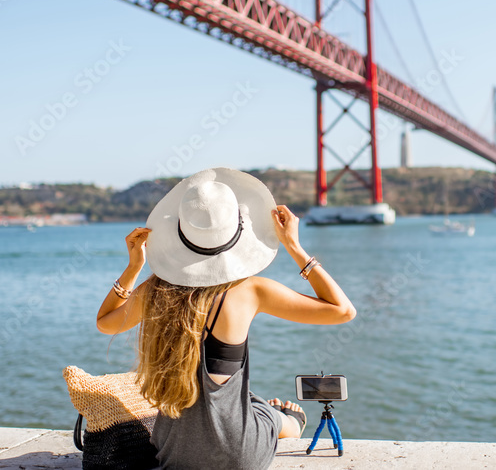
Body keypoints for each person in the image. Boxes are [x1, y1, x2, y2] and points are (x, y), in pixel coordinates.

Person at [95, 167, 356, 470]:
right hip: (239, 455)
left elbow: (105, 322)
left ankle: (270, 413)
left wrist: (134, 267)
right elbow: (343, 311)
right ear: (236, 231)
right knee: (261, 410)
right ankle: (288, 420)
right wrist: (294, 247)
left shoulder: (156, 290)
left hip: (174, 454)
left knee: (245, 400)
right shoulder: (251, 290)